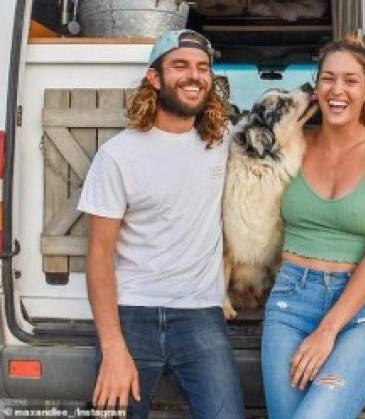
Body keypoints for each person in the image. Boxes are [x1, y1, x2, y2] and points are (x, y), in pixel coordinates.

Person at [78, 29, 245, 419]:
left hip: (201, 314)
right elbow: (100, 255)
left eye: (203, 68)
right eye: (180, 66)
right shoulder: (118, 155)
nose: (194, 75)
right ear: (154, 78)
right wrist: (114, 347)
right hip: (133, 313)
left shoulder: (223, 143)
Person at [261, 34, 365, 419]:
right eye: (328, 78)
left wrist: (327, 331)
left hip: (361, 310)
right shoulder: (293, 143)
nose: (337, 89)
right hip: (289, 301)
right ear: (316, 87)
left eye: (350, 80)